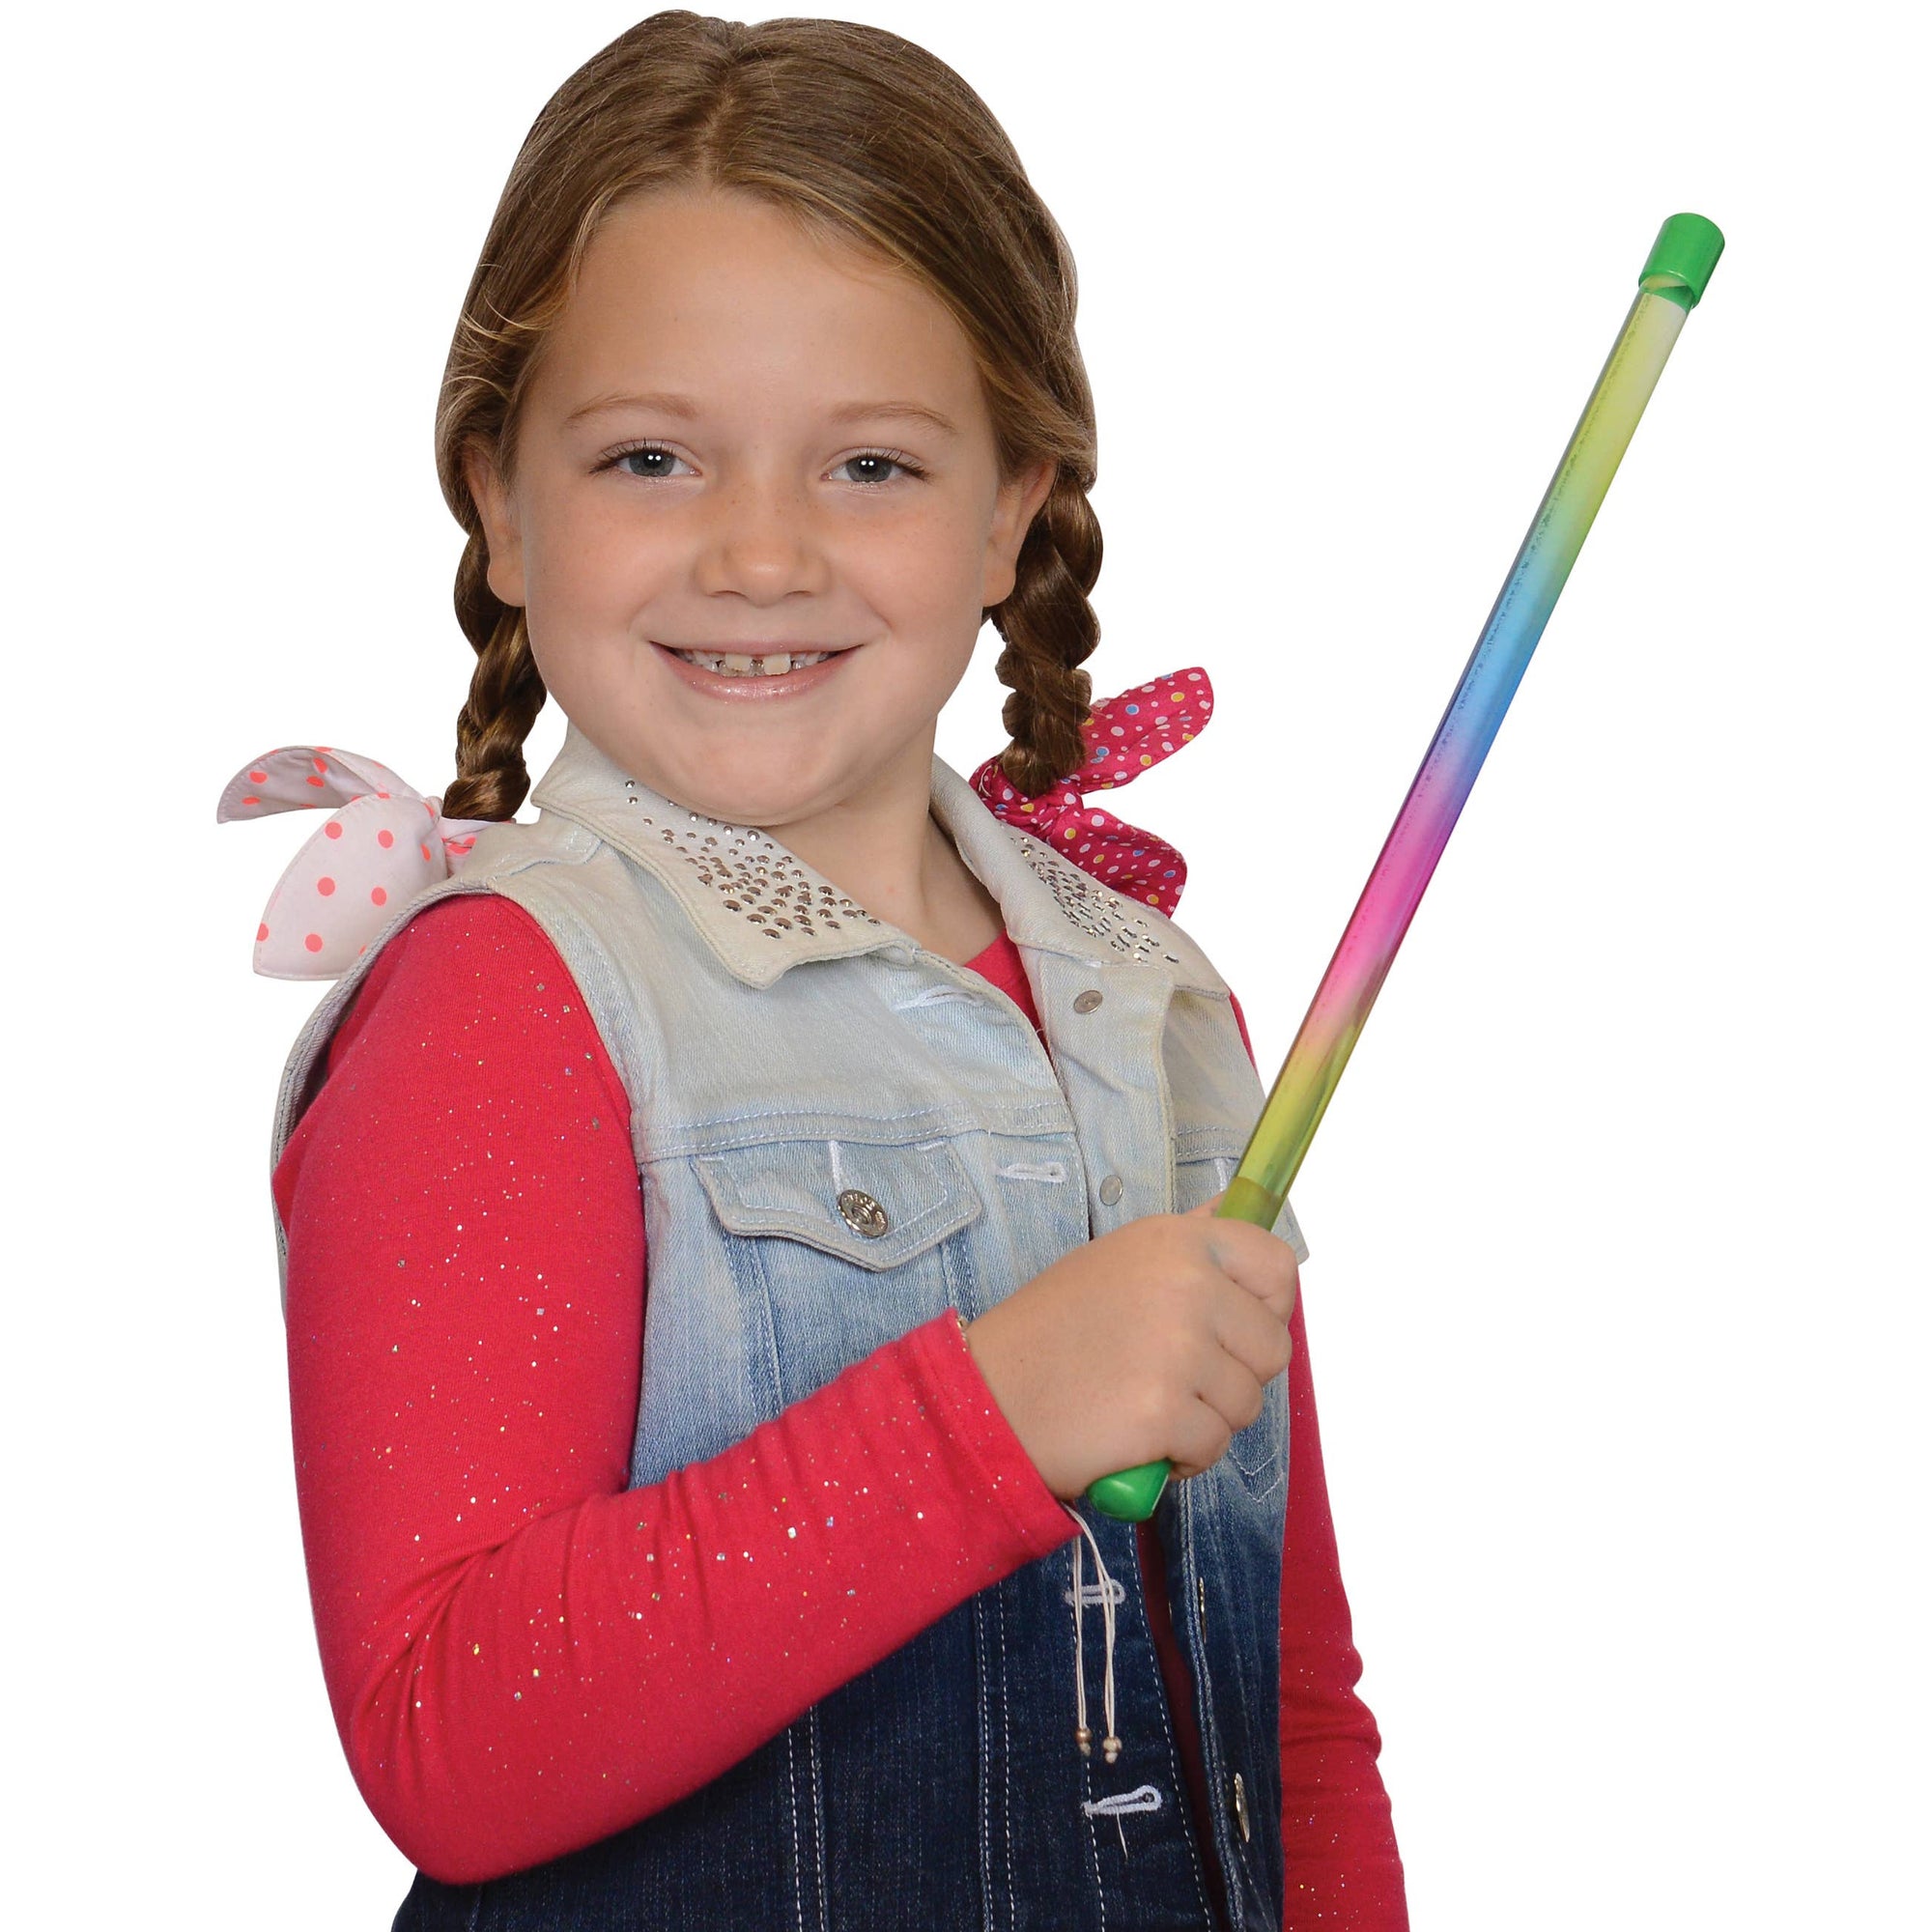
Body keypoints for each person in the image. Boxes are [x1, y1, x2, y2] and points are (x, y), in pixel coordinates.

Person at [251, 13, 1406, 1927]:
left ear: (1010, 509)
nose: (764, 552)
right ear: (503, 505)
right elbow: (448, 1734)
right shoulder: (504, 998)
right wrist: (992, 1415)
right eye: (651, 457)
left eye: (870, 464)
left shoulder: (1157, 1010)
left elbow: (1285, 1717)